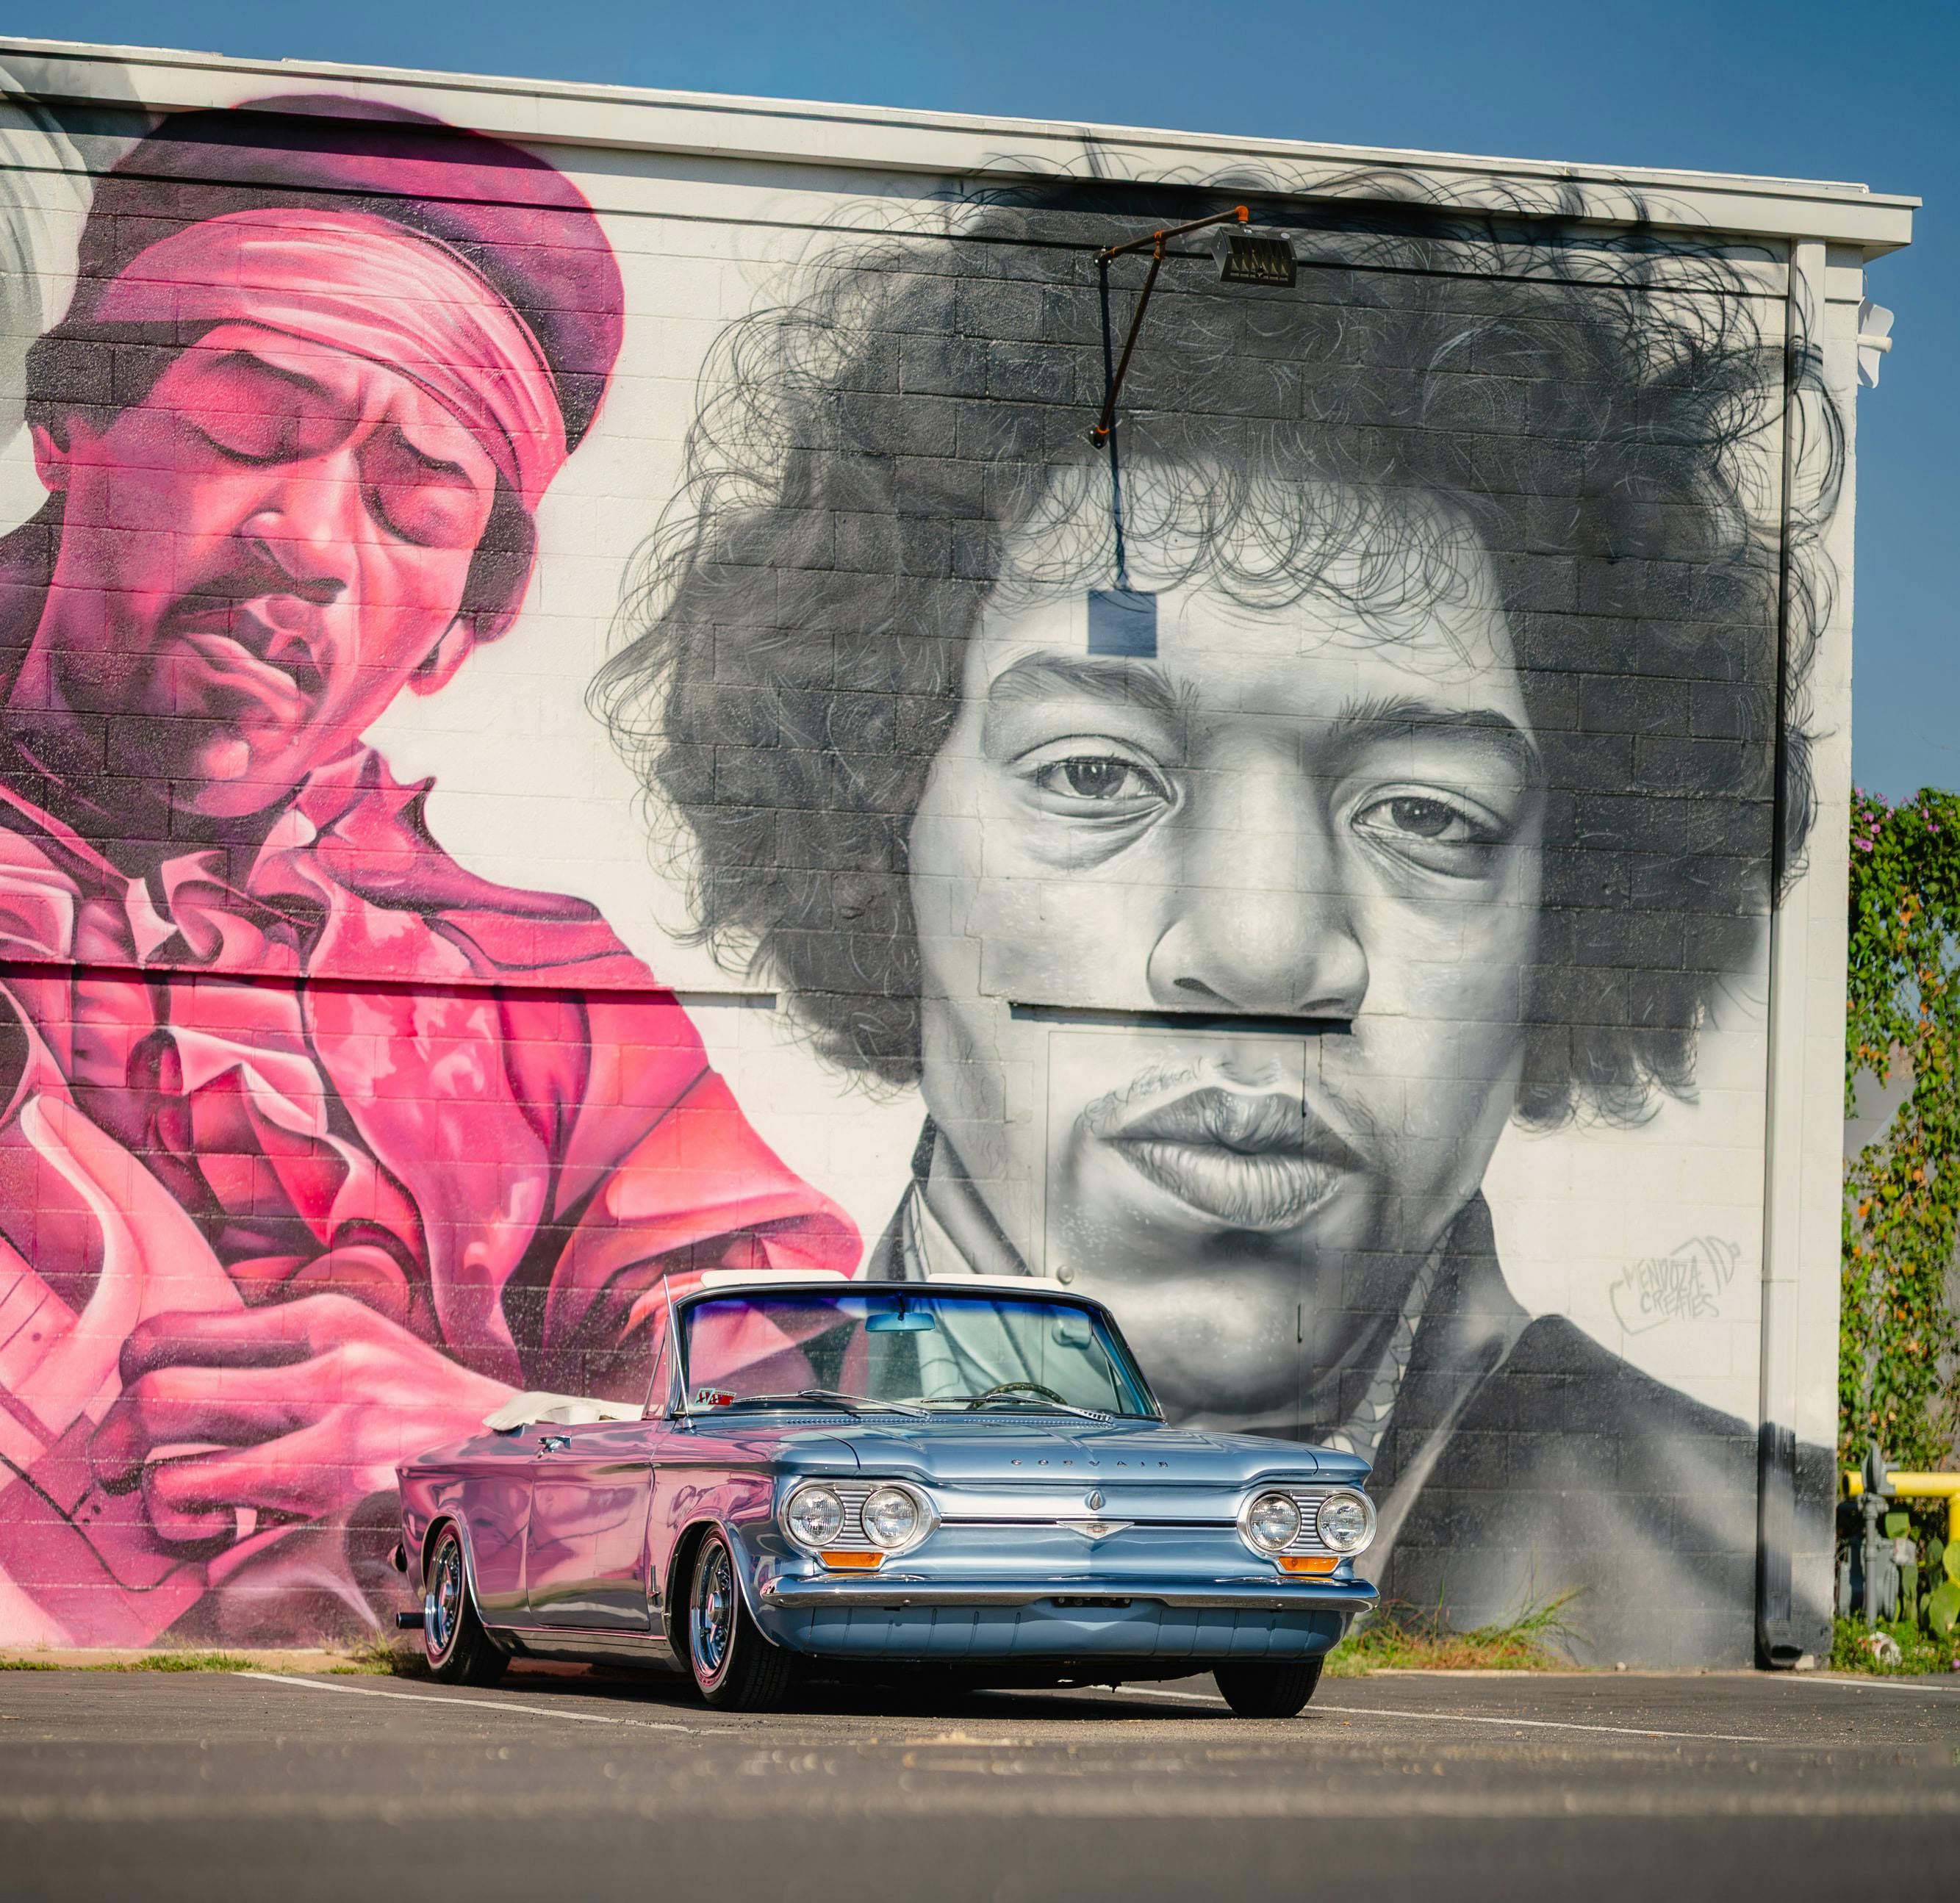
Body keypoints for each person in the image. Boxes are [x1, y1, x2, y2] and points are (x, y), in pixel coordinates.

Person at [599, 197, 1839, 1663]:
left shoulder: (1760, 1569)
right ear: (877, 830)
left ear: (1563, 923)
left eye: (1425, 813)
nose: (1259, 953)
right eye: (1092, 776)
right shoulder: (716, 1451)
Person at [0, 95, 852, 1647]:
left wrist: (494, 1434)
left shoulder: (549, 1010)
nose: (311, 539)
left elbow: (819, 1397)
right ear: (72, 423)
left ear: (464, 625)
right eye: (250, 422)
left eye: (416, 502)